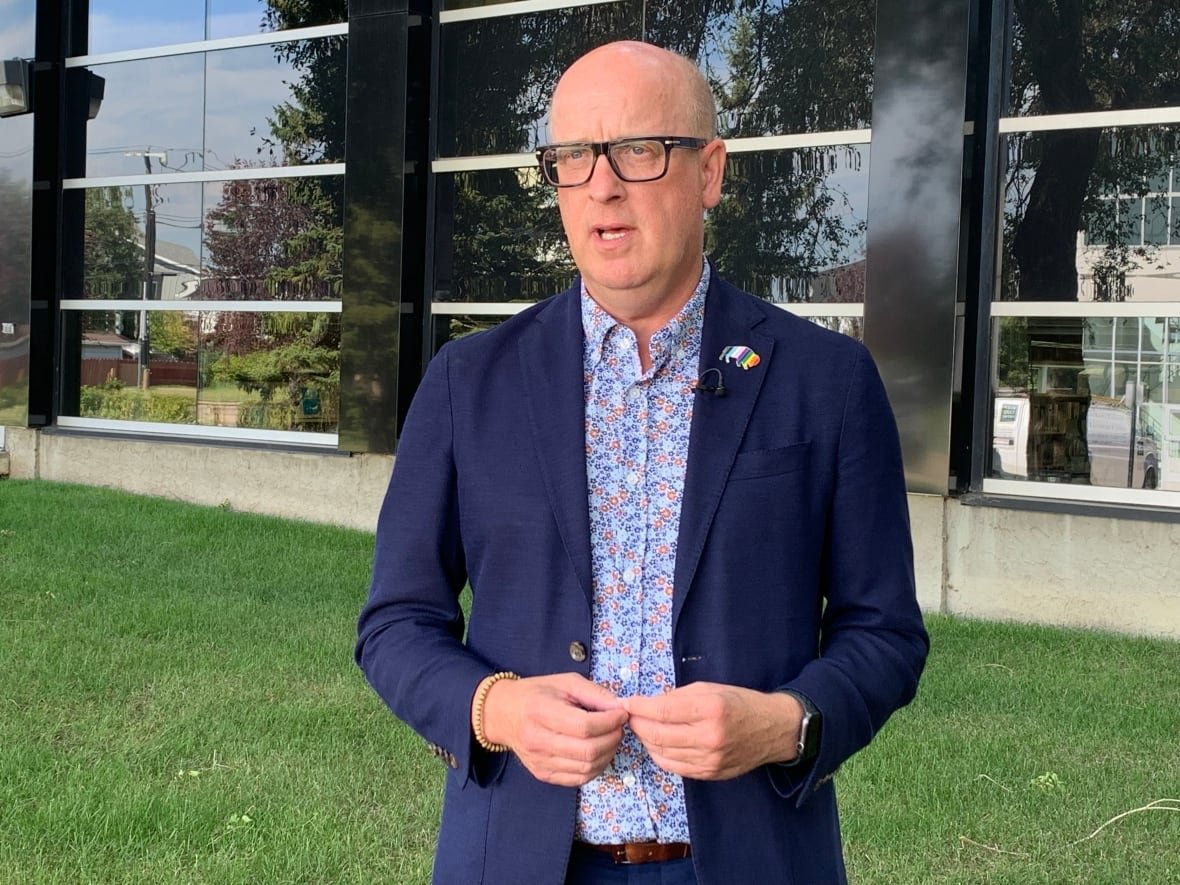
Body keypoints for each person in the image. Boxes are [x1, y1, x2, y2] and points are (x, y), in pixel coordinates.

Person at [357, 40, 928, 885]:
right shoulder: (467, 383)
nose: (602, 185)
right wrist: (496, 708)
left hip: (750, 859)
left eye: (638, 149)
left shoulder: (828, 382)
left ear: (710, 172)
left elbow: (884, 631)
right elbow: (396, 623)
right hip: (520, 858)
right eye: (572, 157)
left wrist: (785, 723)